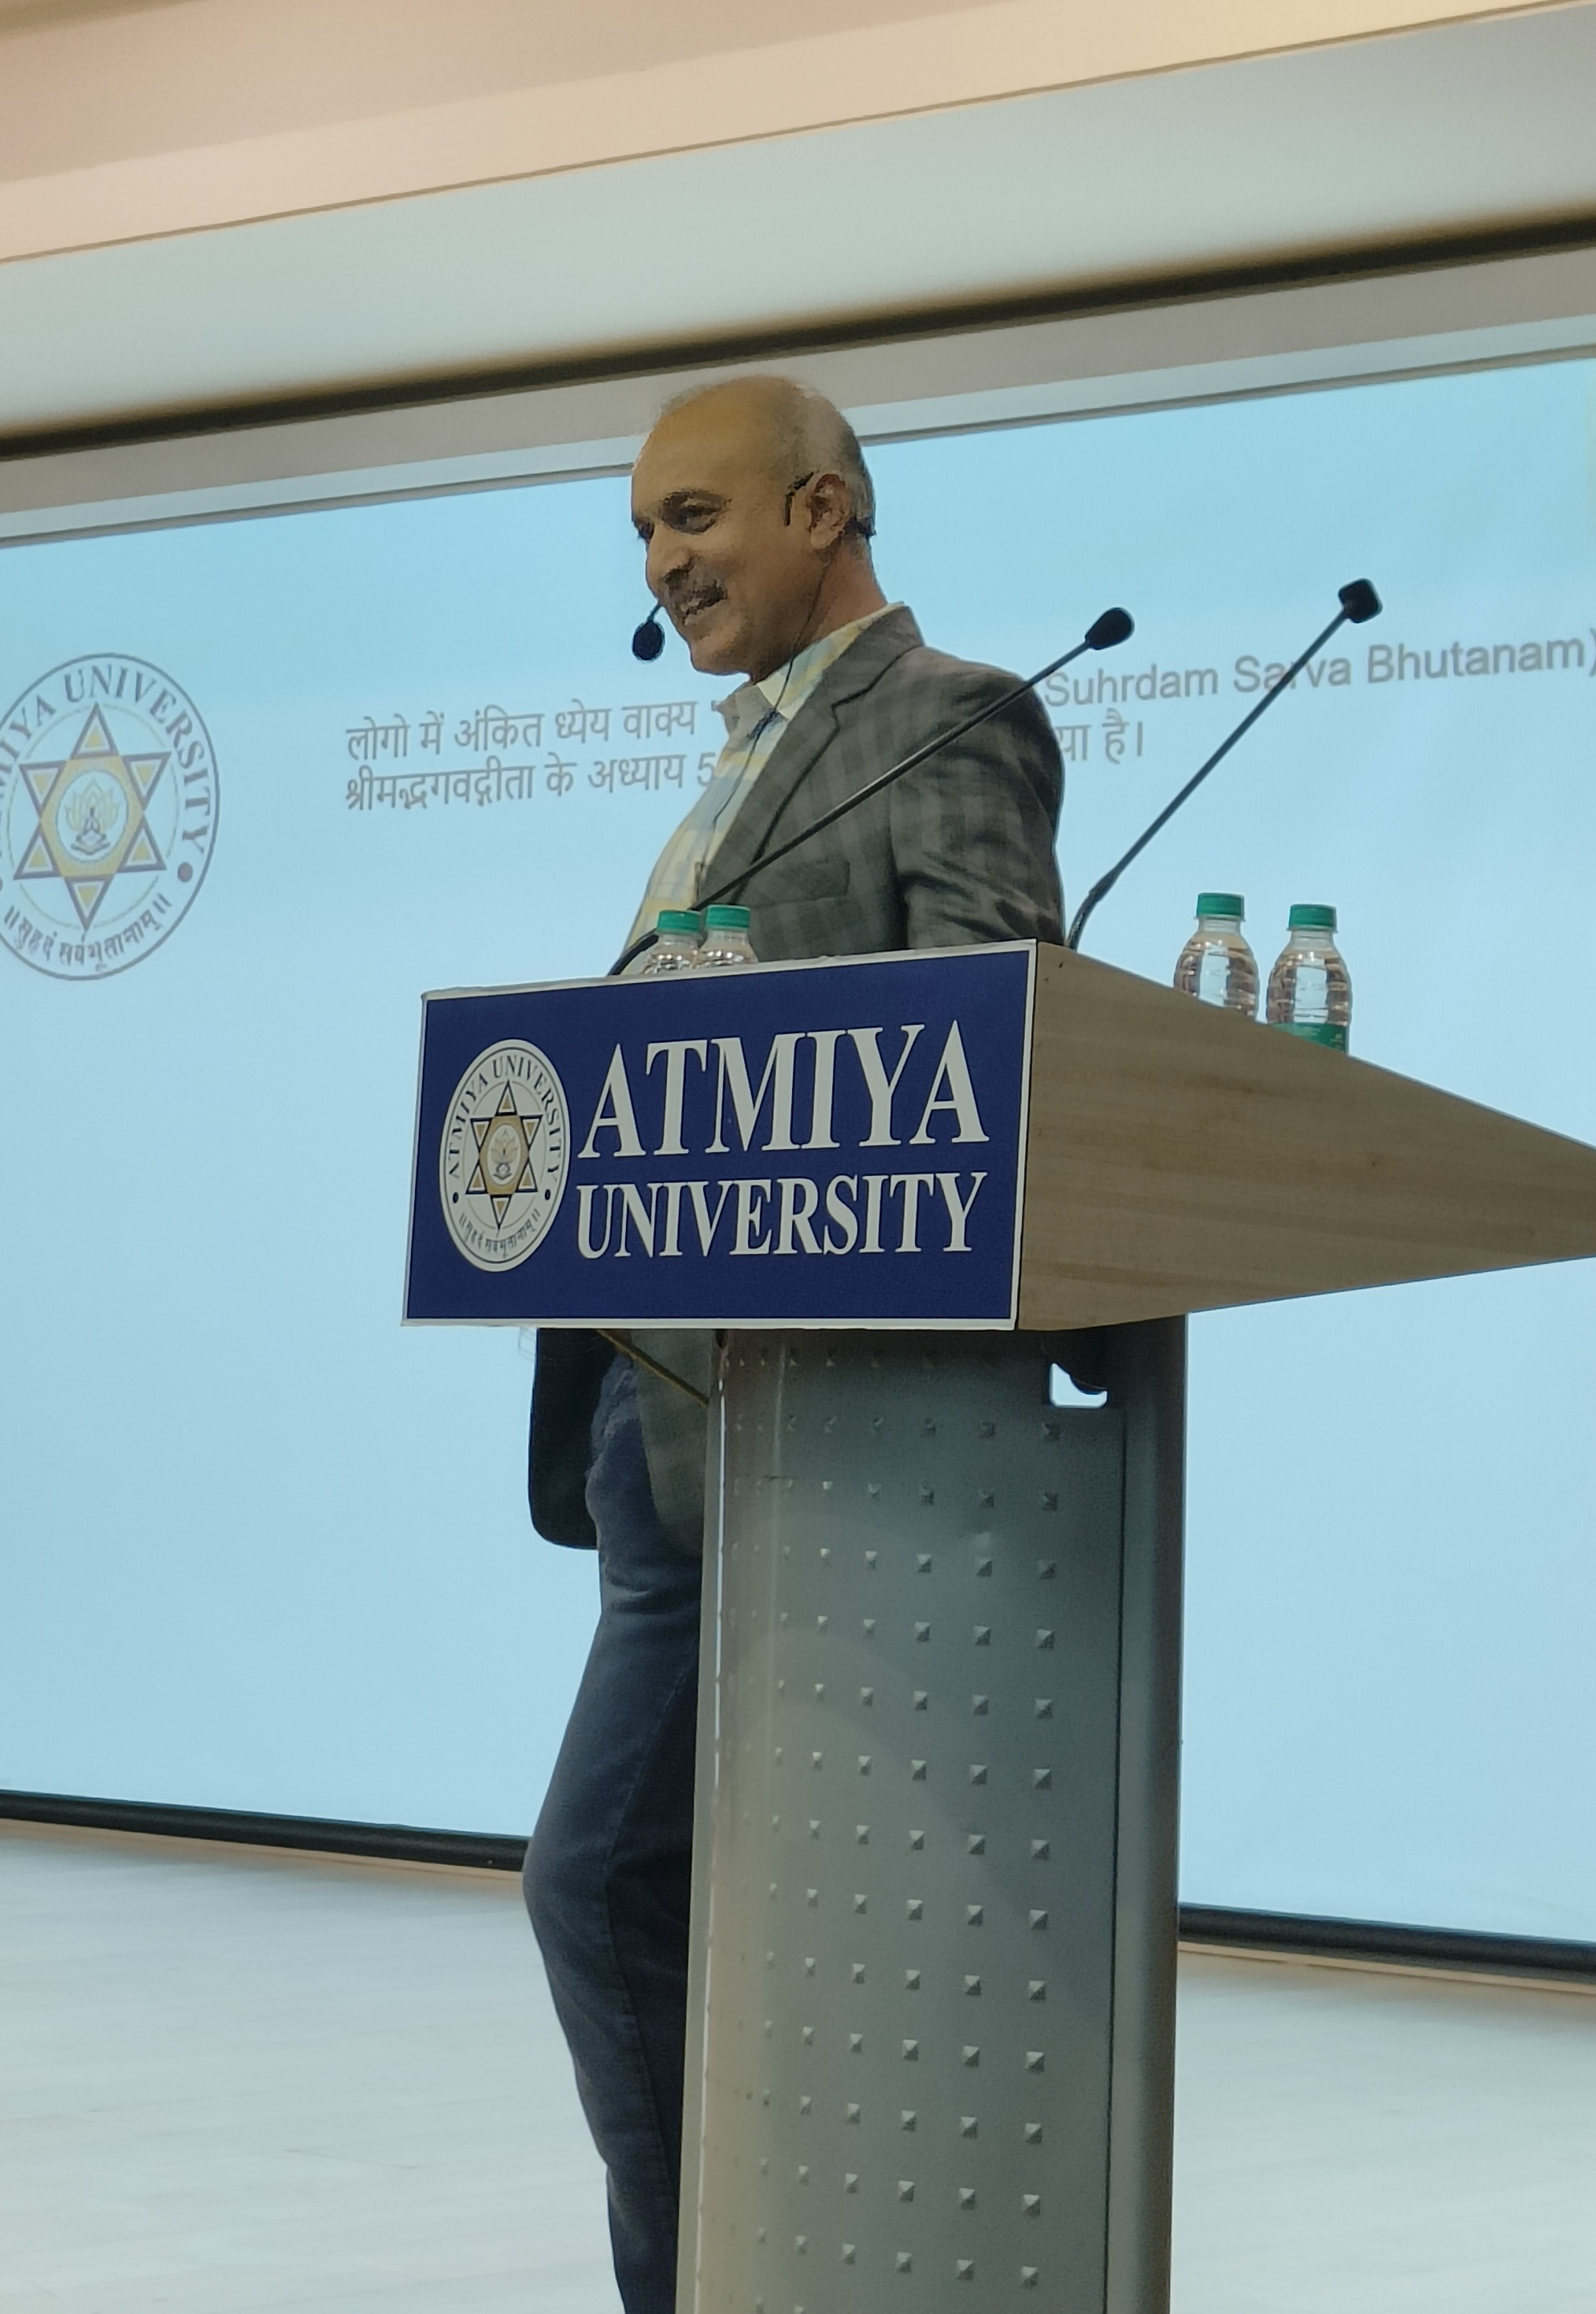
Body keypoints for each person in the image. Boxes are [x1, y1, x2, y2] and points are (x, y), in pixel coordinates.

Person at [519, 373, 1065, 2314]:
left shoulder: (952, 717)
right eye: (644, 533)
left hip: (810, 1410)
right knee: (664, 1893)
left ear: (823, 507)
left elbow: (991, 1044)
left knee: (597, 1875)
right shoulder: (735, 762)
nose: (663, 563)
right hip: (657, 1408)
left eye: (695, 516)